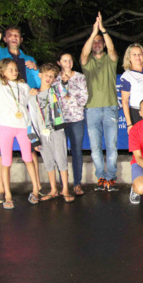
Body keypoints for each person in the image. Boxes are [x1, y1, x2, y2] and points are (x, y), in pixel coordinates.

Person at [0, 0, 42, 204]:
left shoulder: (29, 59)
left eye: (17, 35)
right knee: (1, 152)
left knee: (31, 150)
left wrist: (36, 71)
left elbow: (36, 86)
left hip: (25, 111)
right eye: (10, 35)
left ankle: (37, 188)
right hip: (4, 111)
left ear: (21, 39)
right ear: (6, 38)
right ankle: (1, 190)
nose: (14, 37)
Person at [80, 12, 119, 192]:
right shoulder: (86, 63)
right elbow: (83, 53)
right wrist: (93, 33)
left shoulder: (110, 60)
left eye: (99, 41)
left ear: (103, 43)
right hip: (91, 108)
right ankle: (100, 177)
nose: (97, 44)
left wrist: (103, 31)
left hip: (110, 106)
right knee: (95, 147)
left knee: (111, 145)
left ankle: (111, 177)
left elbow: (112, 50)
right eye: (94, 42)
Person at [28, 63, 74, 203]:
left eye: (52, 76)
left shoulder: (55, 90)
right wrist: (34, 139)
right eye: (47, 75)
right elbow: (31, 119)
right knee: (48, 161)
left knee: (61, 159)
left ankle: (65, 188)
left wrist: (64, 80)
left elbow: (64, 91)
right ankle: (53, 189)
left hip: (57, 130)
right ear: (40, 75)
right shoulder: (32, 97)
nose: (49, 78)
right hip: (42, 133)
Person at [55, 53, 88, 196]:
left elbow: (84, 99)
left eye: (70, 60)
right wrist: (63, 86)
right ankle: (63, 185)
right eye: (64, 60)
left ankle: (77, 183)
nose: (68, 63)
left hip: (76, 119)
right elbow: (56, 98)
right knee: (60, 153)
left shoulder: (80, 77)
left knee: (77, 152)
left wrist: (70, 92)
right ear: (59, 63)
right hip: (60, 120)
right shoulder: (55, 78)